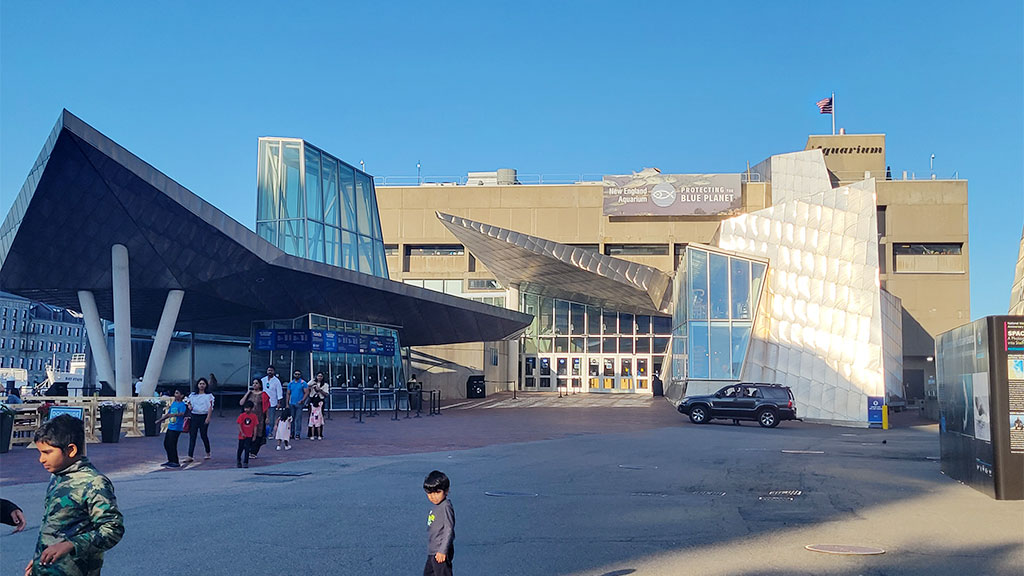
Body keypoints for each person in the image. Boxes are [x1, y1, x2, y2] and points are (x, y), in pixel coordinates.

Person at [27, 414, 124, 575]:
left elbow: (112, 529)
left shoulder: (93, 483)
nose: (41, 459)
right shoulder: (58, 476)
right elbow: (54, 527)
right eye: (40, 452)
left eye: (47, 452)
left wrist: (70, 545)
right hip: (49, 568)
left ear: (71, 450)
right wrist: (39, 559)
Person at [423, 470, 455, 576]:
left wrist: (443, 550)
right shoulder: (437, 506)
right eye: (430, 493)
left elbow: (449, 529)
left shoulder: (445, 506)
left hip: (440, 551)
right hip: (433, 550)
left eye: (437, 492)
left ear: (446, 491)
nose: (433, 496)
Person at [185, 377, 215, 462]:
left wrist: (208, 417)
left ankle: (208, 452)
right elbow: (188, 402)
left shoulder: (209, 396)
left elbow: (210, 407)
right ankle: (190, 455)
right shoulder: (193, 395)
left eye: (203, 384)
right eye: (200, 384)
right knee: (192, 436)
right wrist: (189, 406)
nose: (201, 385)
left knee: (203, 435)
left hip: (203, 416)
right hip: (194, 416)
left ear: (206, 385)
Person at [156, 389, 187, 468]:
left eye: (177, 393)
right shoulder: (174, 403)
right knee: (167, 443)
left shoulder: (182, 405)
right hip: (171, 426)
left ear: (182, 395)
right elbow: (168, 413)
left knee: (172, 444)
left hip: (177, 427)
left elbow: (182, 414)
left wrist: (174, 415)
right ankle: (170, 460)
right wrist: (160, 420)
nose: (175, 394)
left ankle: (175, 461)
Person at [241, 379, 270, 458]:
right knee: (249, 433)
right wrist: (247, 393)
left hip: (259, 417)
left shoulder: (263, 394)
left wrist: (267, 417)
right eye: (253, 383)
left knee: (258, 434)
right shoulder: (250, 394)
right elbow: (241, 403)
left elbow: (266, 407)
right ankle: (248, 449)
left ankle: (254, 452)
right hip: (249, 417)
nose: (254, 385)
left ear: (260, 385)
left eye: (256, 383)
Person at [286, 370, 309, 439]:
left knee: (298, 419)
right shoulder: (291, 383)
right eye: (296, 374)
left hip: (299, 404)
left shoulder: (303, 383)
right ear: (293, 375)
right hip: (291, 403)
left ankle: (297, 434)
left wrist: (302, 400)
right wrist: (287, 403)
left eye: (298, 374)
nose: (297, 375)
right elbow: (288, 393)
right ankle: (291, 433)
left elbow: (306, 392)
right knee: (291, 419)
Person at [261, 366, 284, 434]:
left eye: (271, 370)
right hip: (263, 402)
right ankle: (262, 432)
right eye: (268, 370)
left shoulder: (276, 381)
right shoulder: (263, 380)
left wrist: (279, 403)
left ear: (274, 371)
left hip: (272, 403)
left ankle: (270, 432)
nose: (270, 372)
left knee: (271, 418)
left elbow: (279, 392)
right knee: (262, 418)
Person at [236, 401, 258, 468]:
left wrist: (254, 435)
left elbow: (255, 426)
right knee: (240, 448)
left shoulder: (254, 416)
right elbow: (239, 424)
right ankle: (238, 460)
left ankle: (246, 462)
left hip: (249, 435)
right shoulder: (242, 416)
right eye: (245, 408)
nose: (246, 410)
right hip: (242, 436)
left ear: (251, 408)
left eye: (248, 408)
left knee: (247, 449)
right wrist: (242, 433)